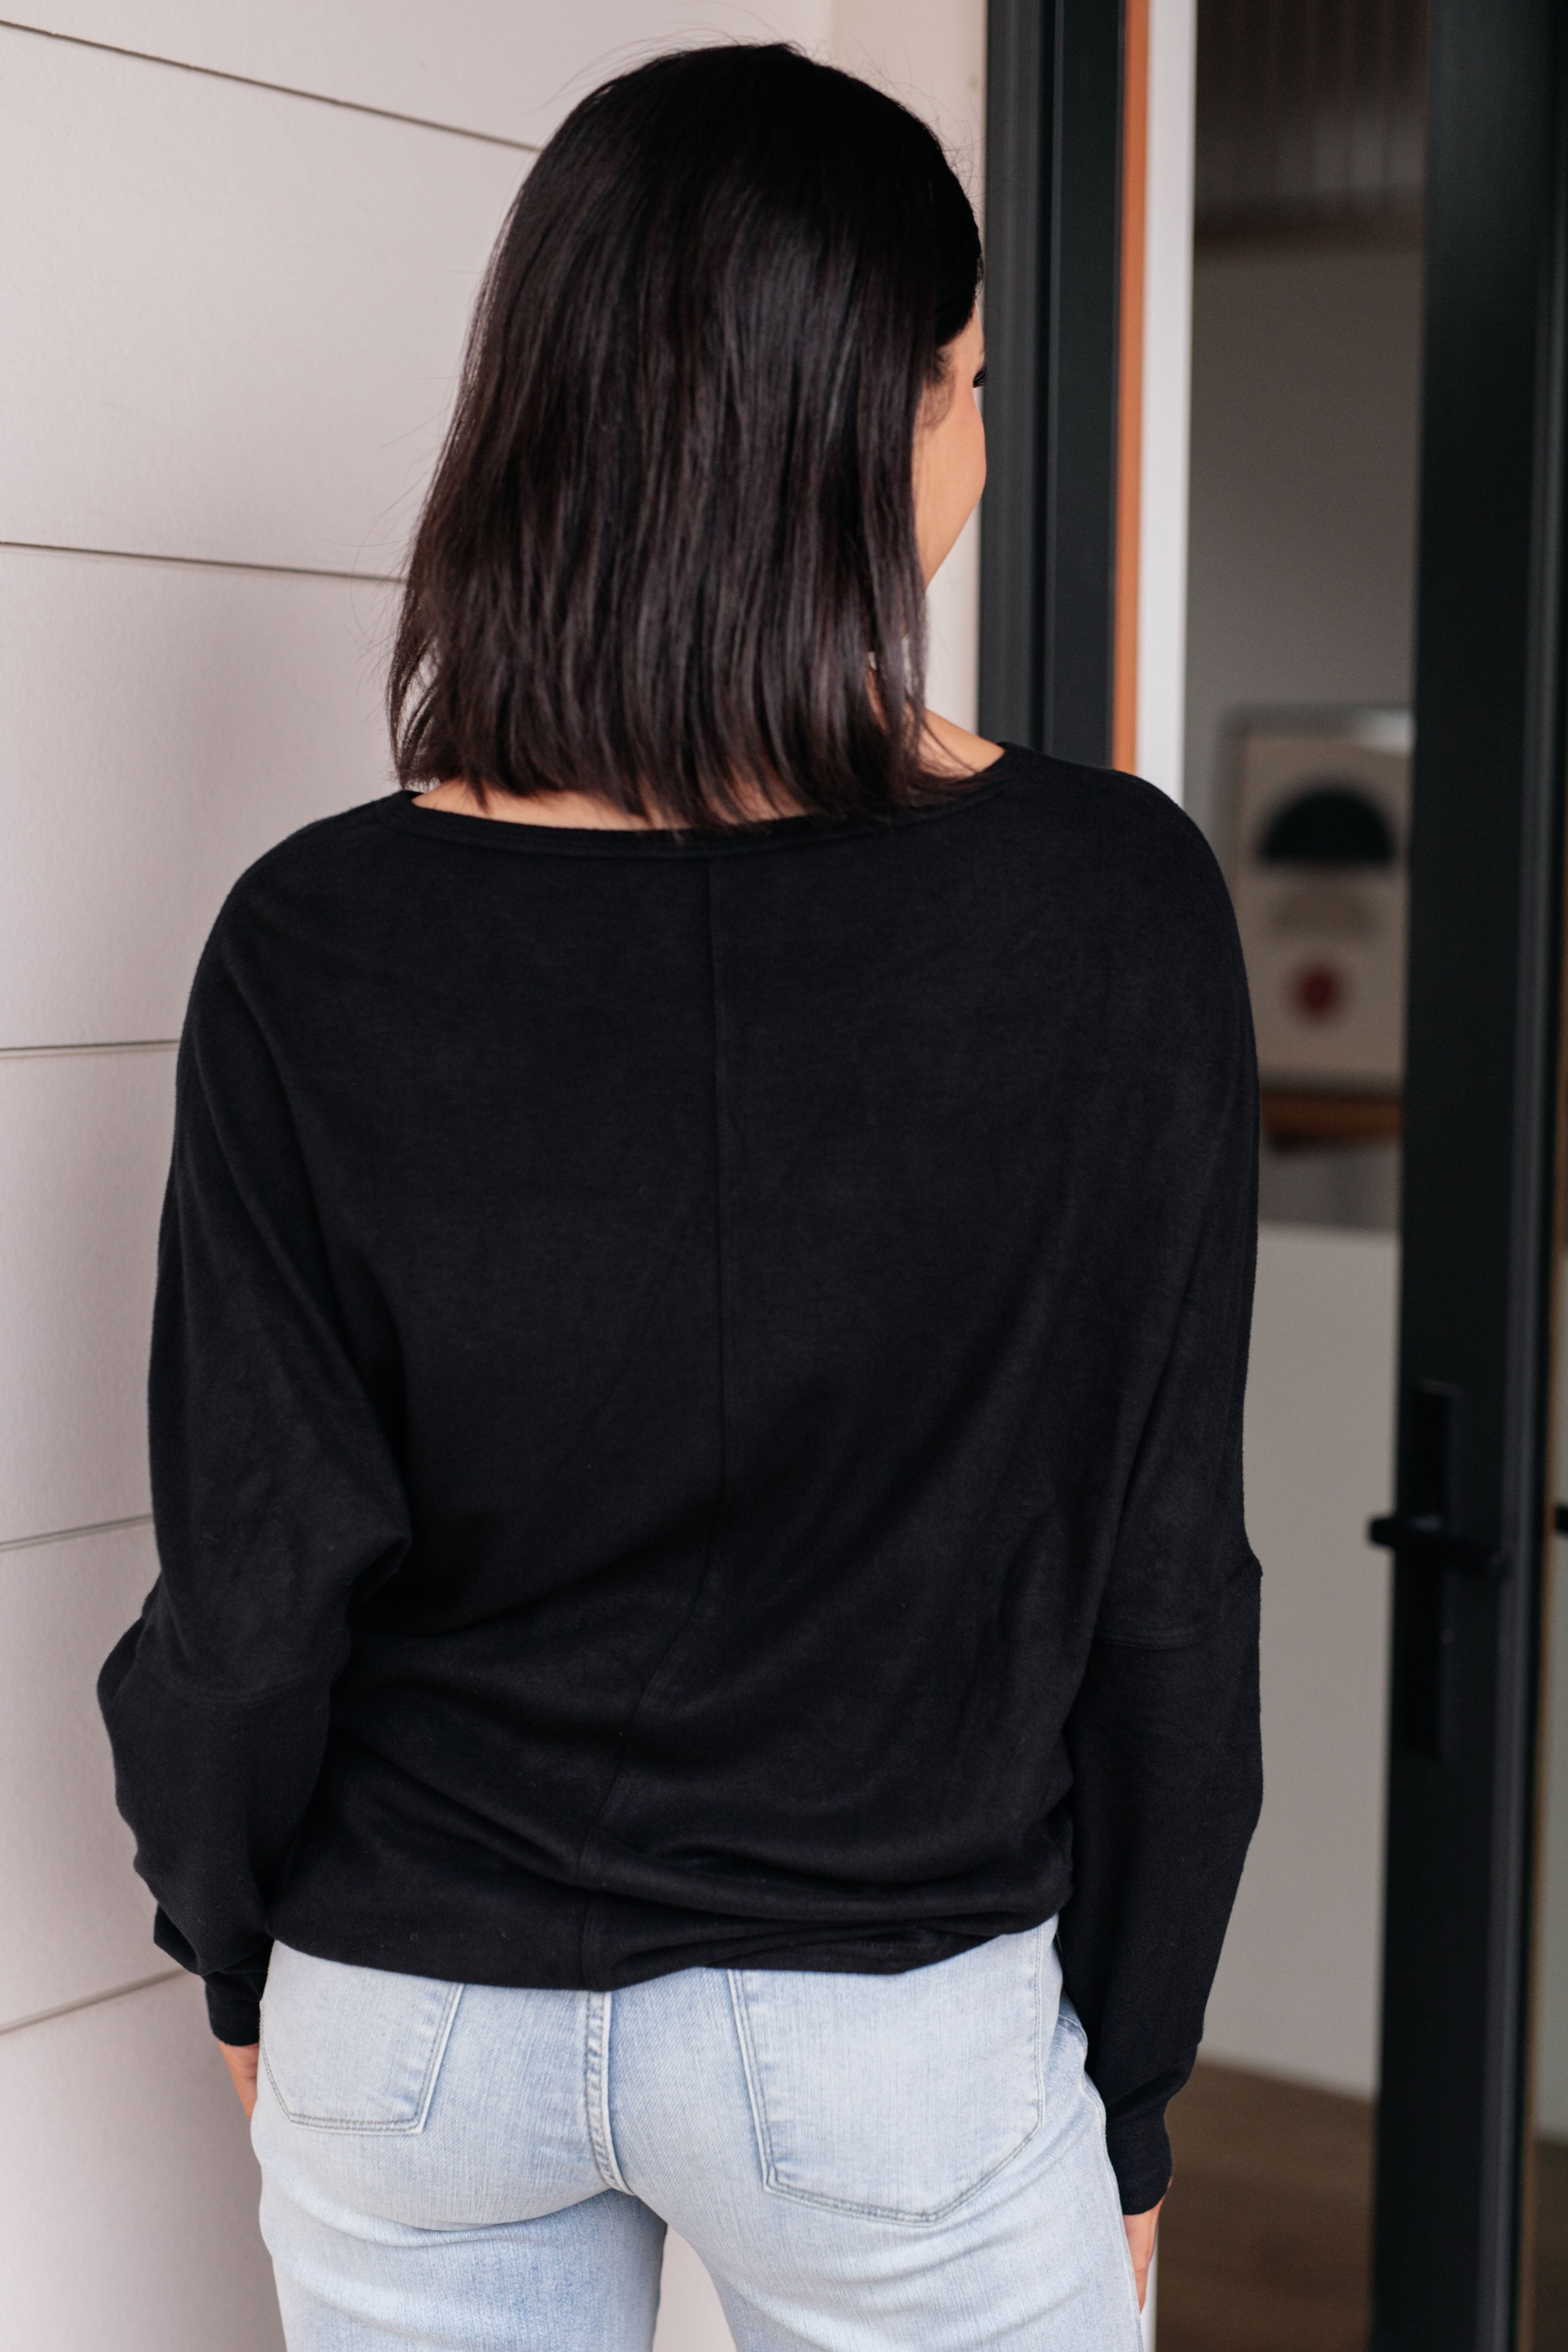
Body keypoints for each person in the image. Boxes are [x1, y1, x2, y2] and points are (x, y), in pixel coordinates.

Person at [100, 41, 1261, 2352]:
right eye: (963, 386)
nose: (980, 446)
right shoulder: (1107, 907)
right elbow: (1158, 1587)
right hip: (891, 2026)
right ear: (863, 431)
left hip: (409, 2006)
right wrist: (1126, 2091)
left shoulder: (318, 936)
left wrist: (242, 1953)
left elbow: (251, 1583)